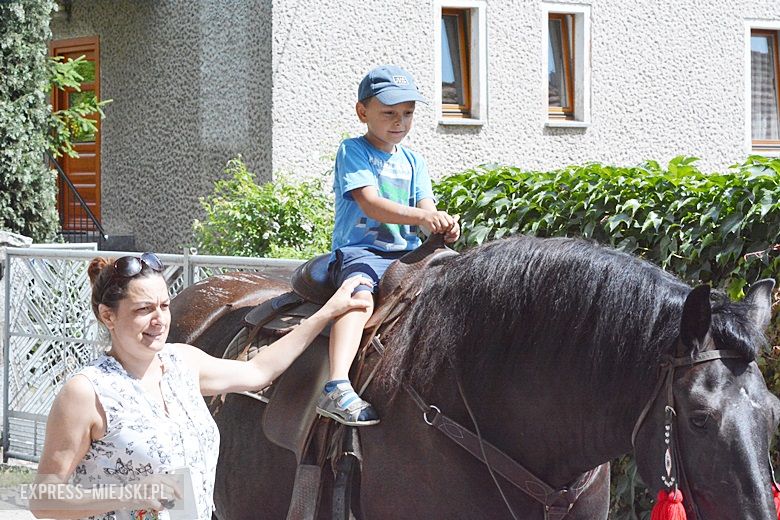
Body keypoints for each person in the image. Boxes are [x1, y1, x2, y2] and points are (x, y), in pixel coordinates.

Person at [31, 252, 372, 520]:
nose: (160, 320)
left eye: (164, 306)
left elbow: (258, 371)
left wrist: (326, 314)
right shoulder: (87, 391)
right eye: (144, 309)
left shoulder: (183, 362)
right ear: (108, 316)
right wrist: (129, 494)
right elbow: (43, 498)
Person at [316, 65, 460, 427]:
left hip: (407, 255)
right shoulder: (354, 151)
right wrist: (421, 218)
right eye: (389, 113)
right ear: (362, 112)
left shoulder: (414, 160)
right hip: (362, 252)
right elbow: (369, 202)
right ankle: (336, 385)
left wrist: (441, 222)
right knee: (358, 298)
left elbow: (426, 206)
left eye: (408, 113)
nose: (400, 122)